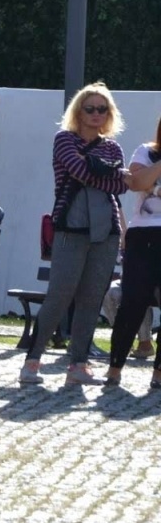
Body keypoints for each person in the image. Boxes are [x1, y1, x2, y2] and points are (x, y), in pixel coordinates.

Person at [19, 85, 129, 388]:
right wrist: (109, 173)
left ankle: (79, 363)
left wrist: (107, 174)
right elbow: (80, 171)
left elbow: (122, 187)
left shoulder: (113, 148)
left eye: (102, 109)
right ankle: (32, 360)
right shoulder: (64, 139)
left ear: (109, 114)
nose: (96, 114)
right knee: (59, 295)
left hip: (106, 232)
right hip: (70, 228)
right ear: (78, 111)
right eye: (89, 108)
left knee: (92, 299)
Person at [106, 113, 161, 390]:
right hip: (144, 235)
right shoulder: (146, 151)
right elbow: (137, 183)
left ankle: (159, 373)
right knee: (133, 301)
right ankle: (115, 368)